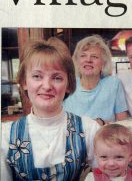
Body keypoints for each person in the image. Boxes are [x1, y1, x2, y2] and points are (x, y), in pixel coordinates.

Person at [1, 37, 100, 180]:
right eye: (37, 76)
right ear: (24, 82)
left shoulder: (89, 129)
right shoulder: (5, 136)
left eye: (57, 78)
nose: (47, 86)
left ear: (68, 85)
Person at [64, 35, 128, 123]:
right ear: (77, 61)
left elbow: (124, 124)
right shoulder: (68, 85)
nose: (88, 60)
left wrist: (102, 123)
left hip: (105, 136)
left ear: (103, 63)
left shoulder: (113, 84)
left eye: (94, 56)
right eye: (83, 55)